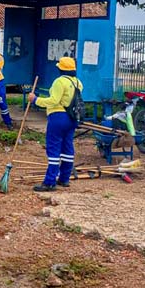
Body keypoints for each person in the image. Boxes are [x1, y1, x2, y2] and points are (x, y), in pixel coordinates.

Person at [28, 57, 83, 192]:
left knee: (53, 149)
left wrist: (35, 100)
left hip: (58, 117)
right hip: (72, 118)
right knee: (67, 148)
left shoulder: (60, 82)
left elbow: (53, 101)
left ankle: (50, 182)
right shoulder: (77, 82)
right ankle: (64, 179)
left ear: (61, 69)